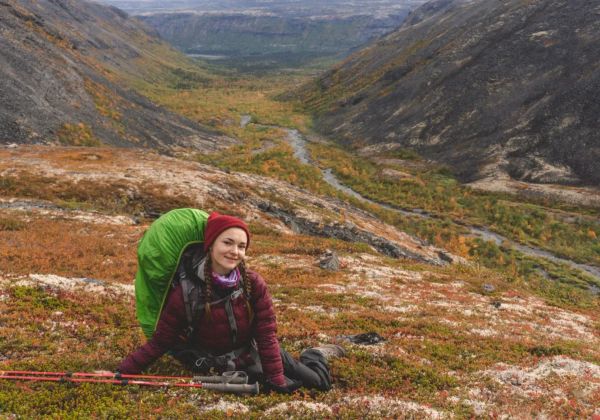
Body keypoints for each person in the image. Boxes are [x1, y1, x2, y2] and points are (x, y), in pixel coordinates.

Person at [118, 211, 345, 393]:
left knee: (319, 384)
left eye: (241, 246)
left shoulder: (253, 283)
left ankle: (314, 354)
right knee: (276, 385)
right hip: (220, 363)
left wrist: (276, 378)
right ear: (210, 244)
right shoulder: (185, 292)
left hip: (254, 351)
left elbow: (266, 335)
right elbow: (161, 342)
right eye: (227, 242)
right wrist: (121, 373)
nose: (234, 251)